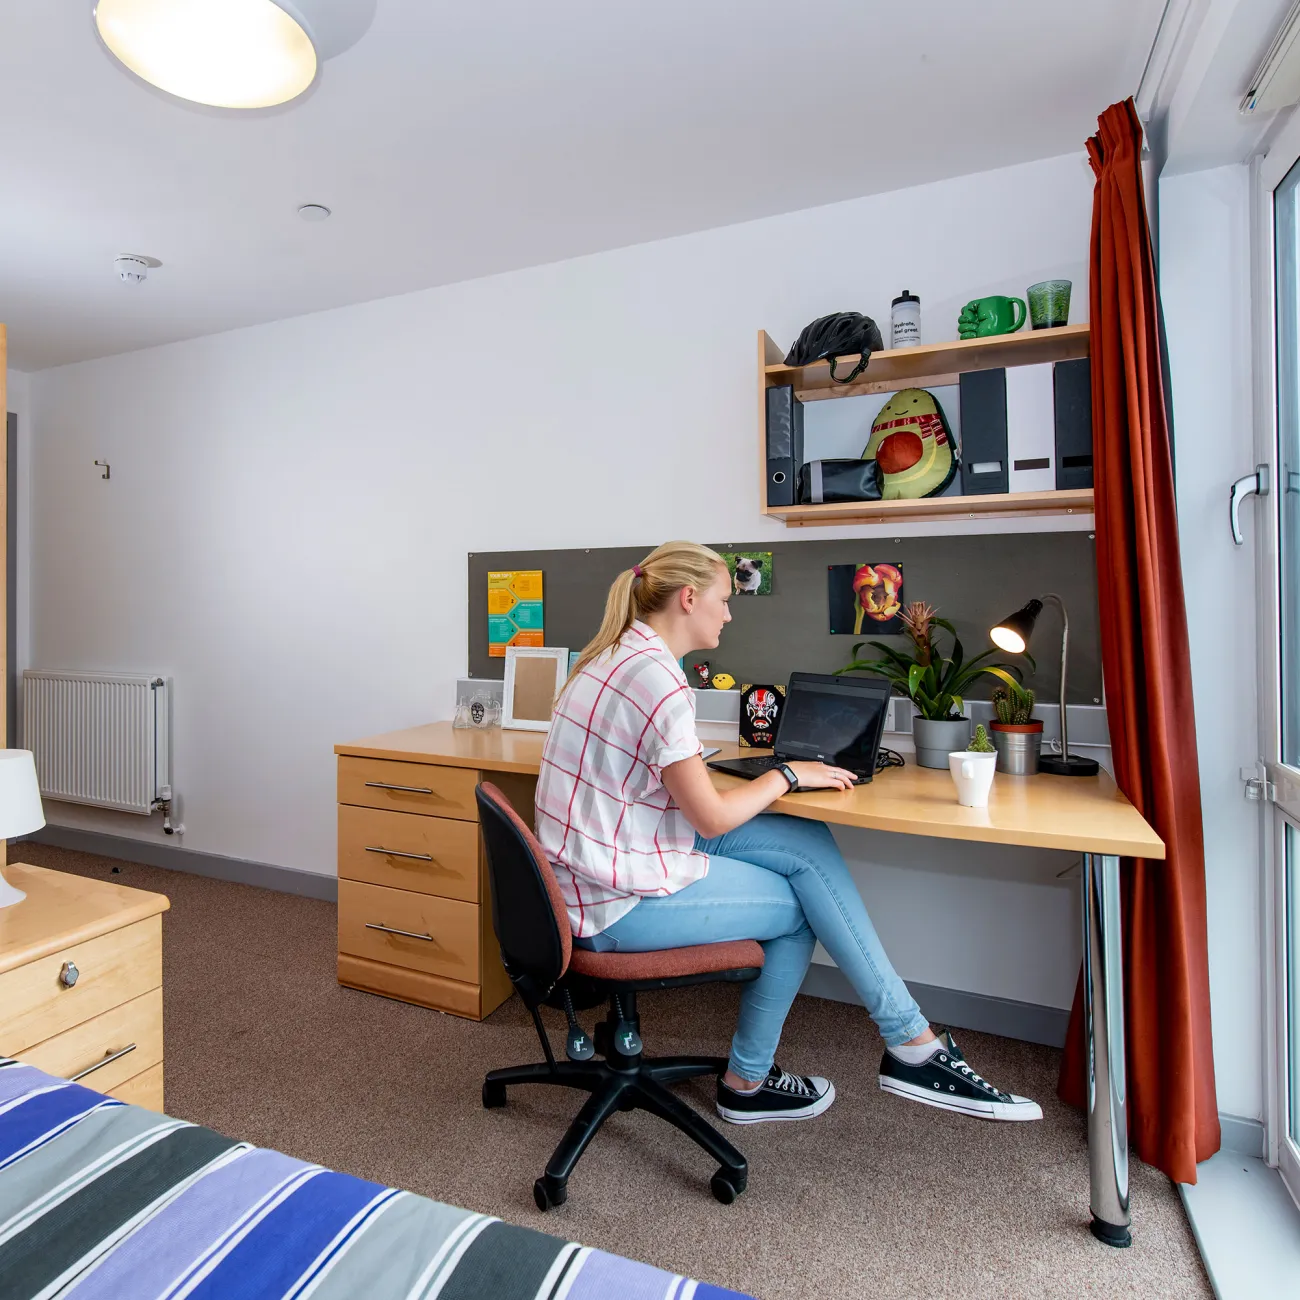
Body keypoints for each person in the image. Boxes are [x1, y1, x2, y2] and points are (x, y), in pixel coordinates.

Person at [534, 540, 1041, 1125]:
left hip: (600, 859)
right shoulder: (658, 682)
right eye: (724, 601)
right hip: (612, 902)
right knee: (803, 911)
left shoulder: (611, 655)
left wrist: (784, 777)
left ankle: (910, 1041)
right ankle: (758, 1080)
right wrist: (788, 773)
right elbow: (711, 818)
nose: (729, 614)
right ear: (688, 599)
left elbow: (671, 791)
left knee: (806, 842)